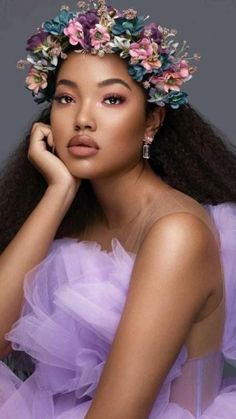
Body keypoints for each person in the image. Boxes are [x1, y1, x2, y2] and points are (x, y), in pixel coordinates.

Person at [0, 0, 236, 417]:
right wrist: (57, 192)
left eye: (111, 99)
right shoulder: (77, 217)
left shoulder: (176, 232)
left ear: (151, 121)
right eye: (65, 98)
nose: (83, 119)